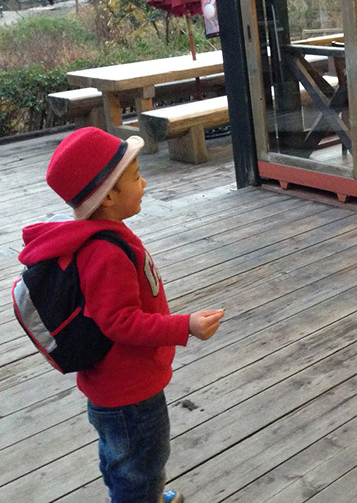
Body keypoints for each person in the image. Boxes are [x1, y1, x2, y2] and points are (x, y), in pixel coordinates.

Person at [18, 127, 225, 503]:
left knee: (124, 458)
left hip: (116, 387)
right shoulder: (105, 253)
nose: (144, 183)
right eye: (135, 176)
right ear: (109, 196)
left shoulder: (102, 233)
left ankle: (142, 494)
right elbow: (120, 322)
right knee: (141, 462)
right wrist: (186, 325)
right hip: (129, 392)